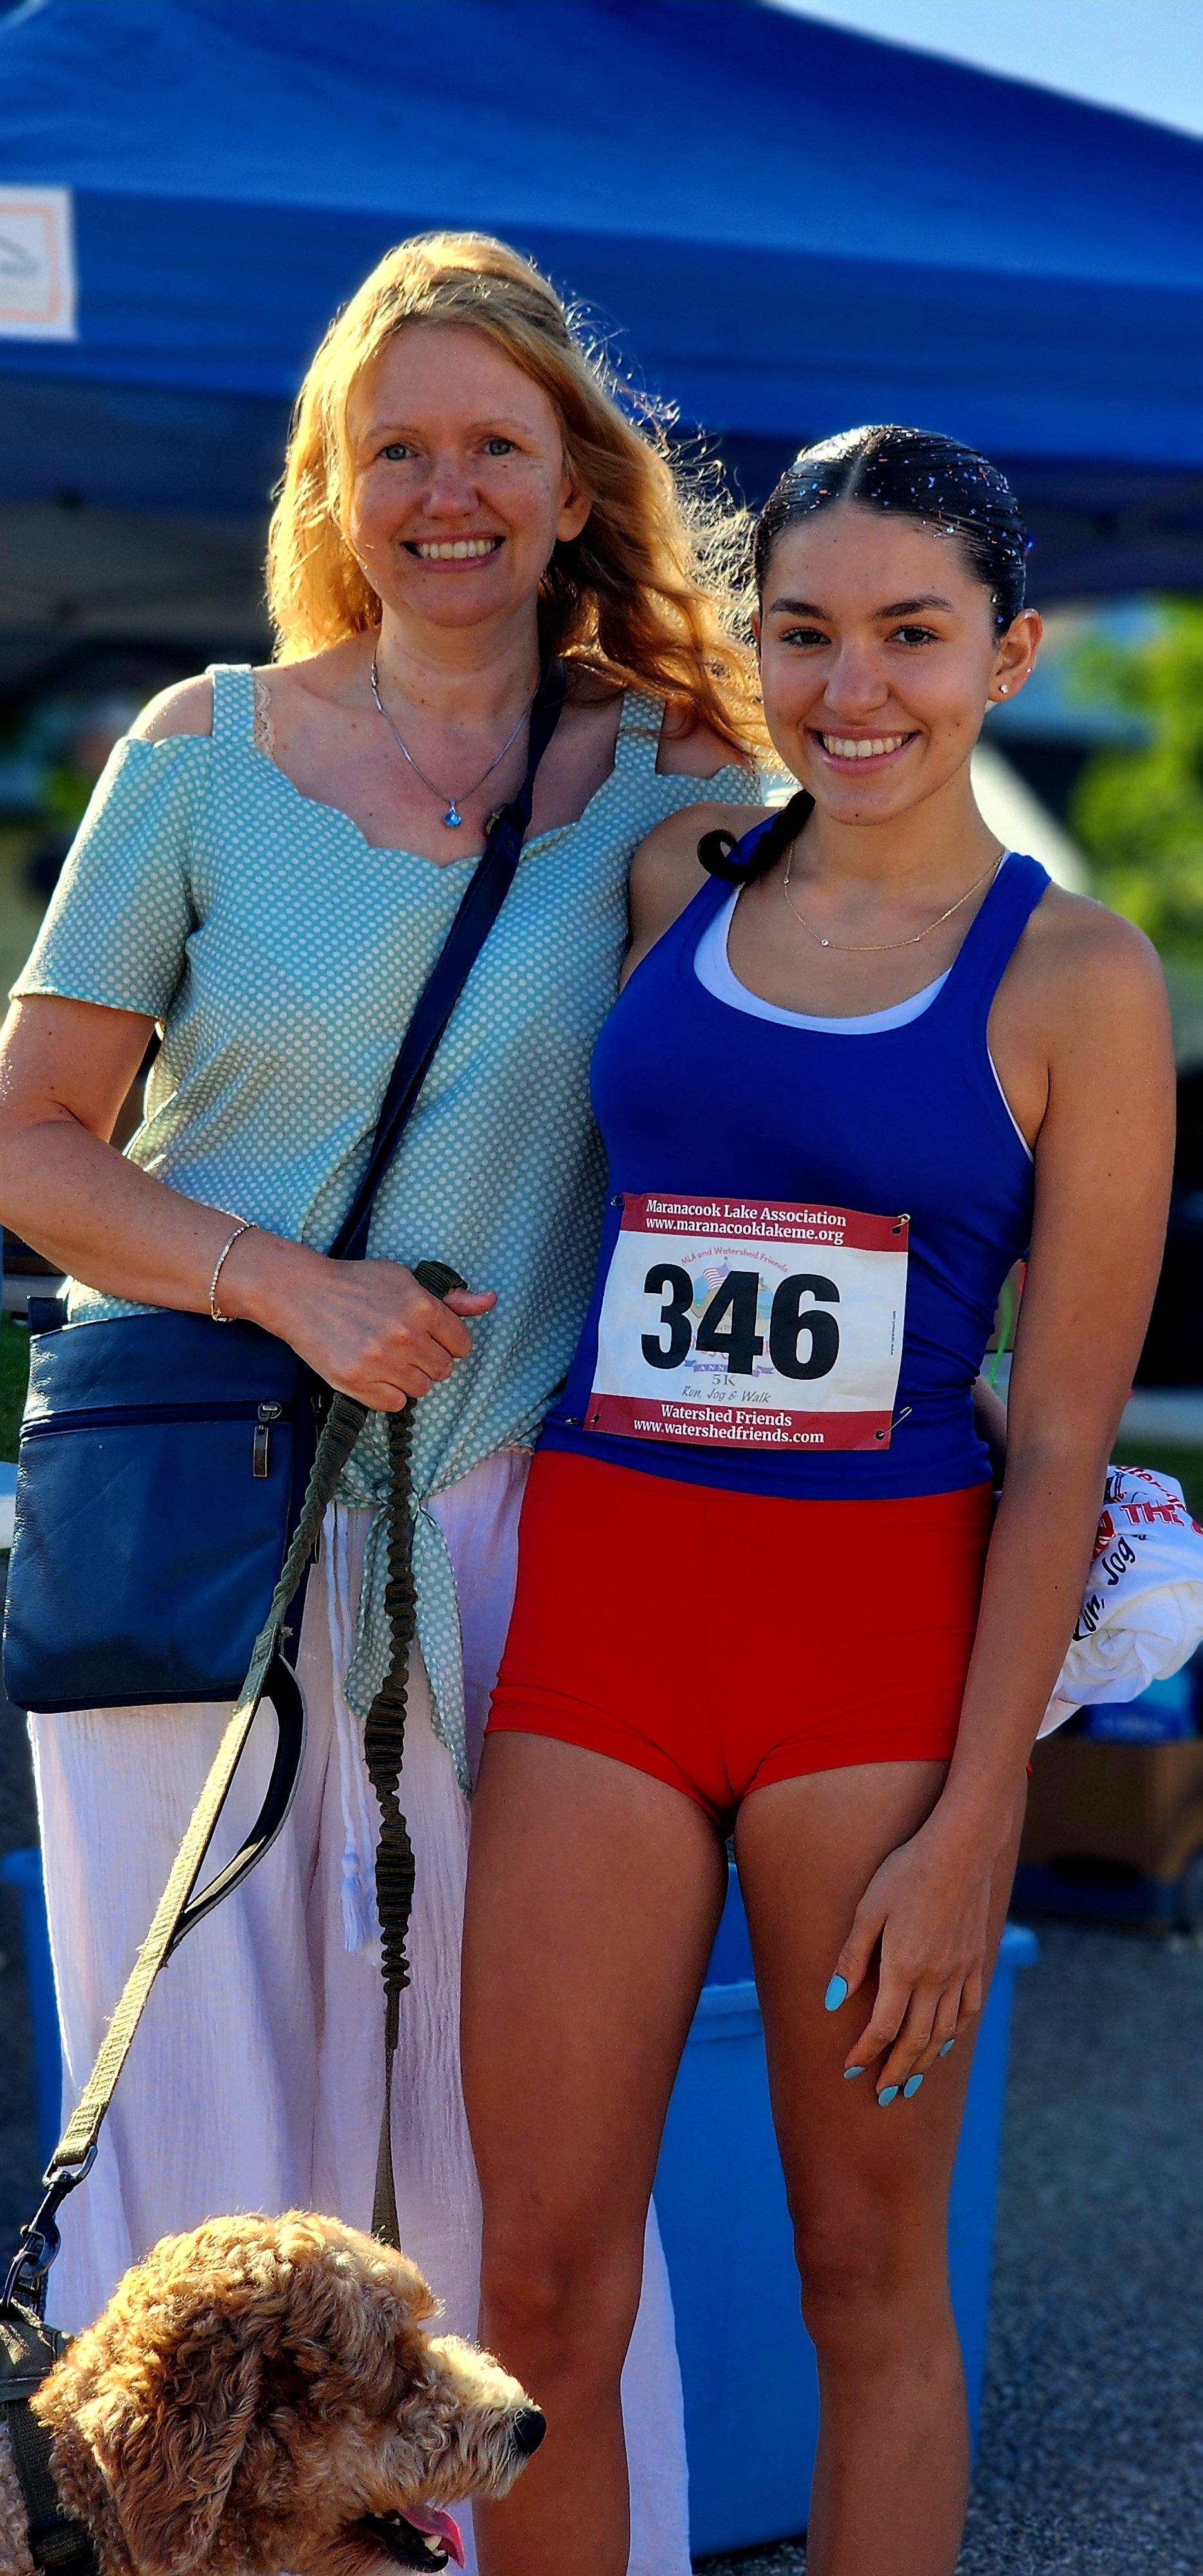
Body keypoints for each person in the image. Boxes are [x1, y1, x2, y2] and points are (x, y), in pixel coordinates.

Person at [0, 232, 764, 2576]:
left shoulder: (671, 774)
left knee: (498, 2128)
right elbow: (27, 1138)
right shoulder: (201, 751)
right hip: (197, 1526)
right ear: (335, 482)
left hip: (520, 1530)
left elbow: (779, 1087)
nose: (444, 491)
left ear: (570, 484)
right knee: (200, 2116)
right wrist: (287, 1288)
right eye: (395, 447)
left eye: (492, 447)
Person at [461, 424, 1175, 2576]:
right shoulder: (674, 883)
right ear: (750, 645)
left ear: (1007, 653)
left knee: (866, 2292)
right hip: (601, 1625)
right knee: (538, 2299)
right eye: (803, 633)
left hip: (872, 1667)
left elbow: (1057, 1437)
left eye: (911, 636)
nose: (853, 687)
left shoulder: (1079, 979)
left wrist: (981, 1827)